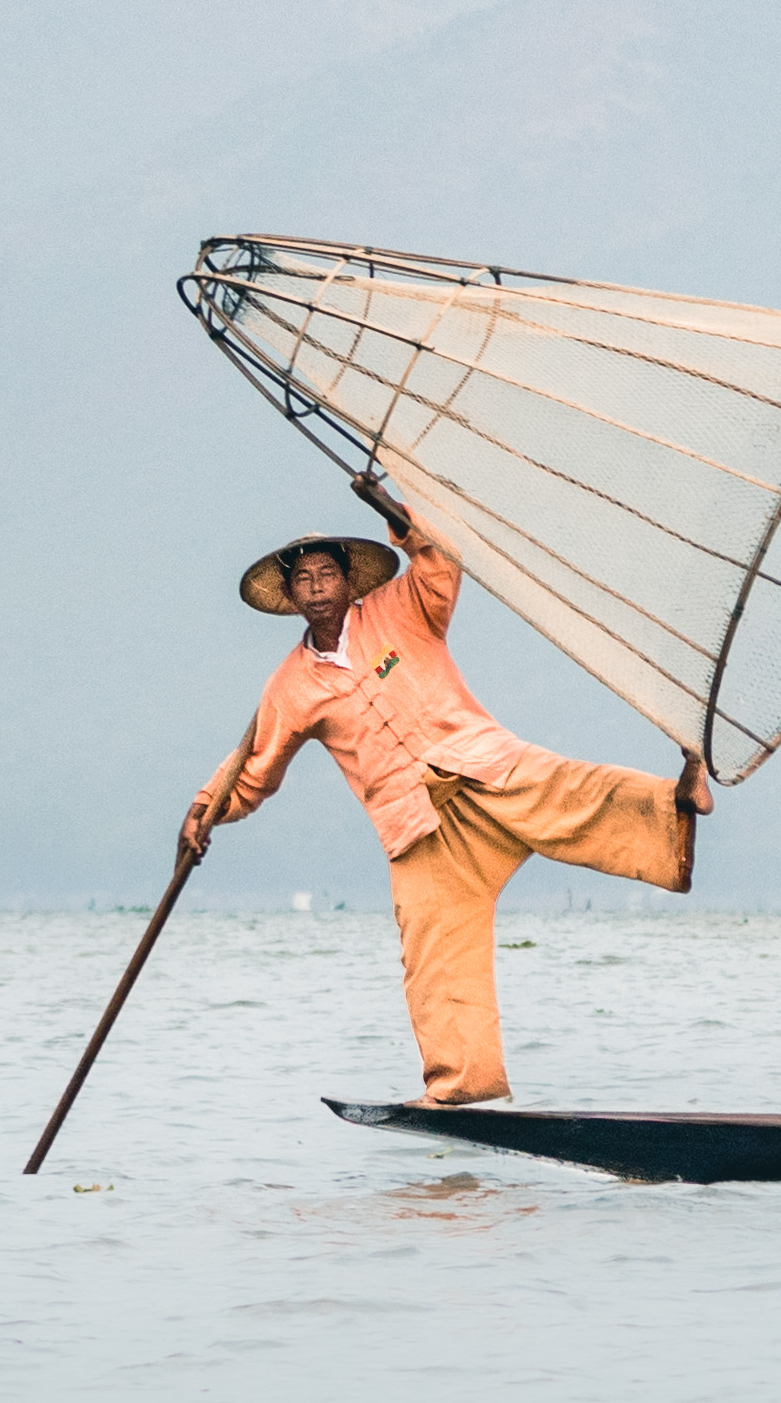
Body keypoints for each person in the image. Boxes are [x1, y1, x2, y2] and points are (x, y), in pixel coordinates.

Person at [183, 467, 714, 1105]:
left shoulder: (400, 610)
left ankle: (674, 800)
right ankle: (461, 1085)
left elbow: (440, 563)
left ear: (350, 582)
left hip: (476, 766)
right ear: (292, 598)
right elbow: (253, 770)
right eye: (304, 579)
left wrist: (398, 517)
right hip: (414, 825)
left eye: (327, 574)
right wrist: (202, 815)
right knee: (431, 956)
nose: (317, 587)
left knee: (571, 792)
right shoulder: (290, 685)